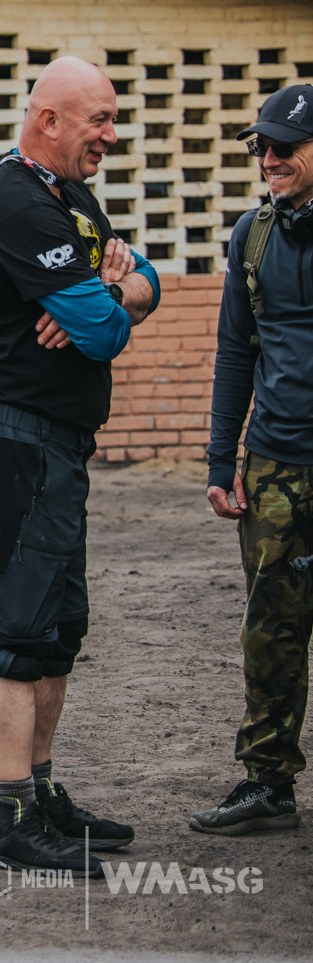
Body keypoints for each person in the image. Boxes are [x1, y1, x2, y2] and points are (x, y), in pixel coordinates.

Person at [0, 56, 159, 876]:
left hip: (53, 441)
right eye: (97, 119)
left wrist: (123, 292)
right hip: (10, 440)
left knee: (56, 632)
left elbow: (140, 283)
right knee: (10, 633)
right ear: (49, 119)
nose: (111, 133)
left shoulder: (67, 196)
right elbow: (101, 332)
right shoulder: (19, 202)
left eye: (111, 117)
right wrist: (106, 307)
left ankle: (42, 792)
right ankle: (12, 821)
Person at [194, 85, 313, 836]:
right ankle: (268, 781)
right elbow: (235, 351)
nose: (269, 159)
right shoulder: (253, 234)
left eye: (285, 147)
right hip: (274, 466)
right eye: (260, 147)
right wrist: (218, 457)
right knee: (271, 629)